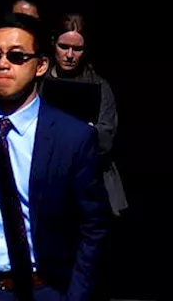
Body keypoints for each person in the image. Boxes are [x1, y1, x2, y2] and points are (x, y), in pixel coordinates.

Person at [0, 12, 108, 301]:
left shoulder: (71, 137)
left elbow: (94, 226)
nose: (2, 64)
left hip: (42, 289)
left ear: (41, 66)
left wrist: (76, 295)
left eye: (16, 56)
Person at [42, 13, 126, 216]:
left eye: (77, 49)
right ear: (54, 44)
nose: (70, 55)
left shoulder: (99, 86)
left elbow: (105, 139)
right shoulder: (39, 84)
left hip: (88, 182)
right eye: (64, 47)